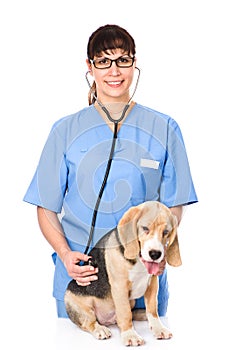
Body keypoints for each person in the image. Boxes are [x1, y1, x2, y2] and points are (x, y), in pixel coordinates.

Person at [23, 24, 198, 318]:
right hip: (83, 285)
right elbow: (45, 205)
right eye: (103, 61)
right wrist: (65, 255)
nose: (114, 71)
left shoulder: (165, 129)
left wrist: (160, 245)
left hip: (143, 283)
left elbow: (174, 205)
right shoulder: (64, 131)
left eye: (123, 60)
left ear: (134, 63)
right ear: (90, 67)